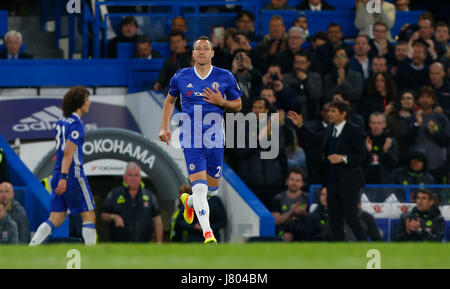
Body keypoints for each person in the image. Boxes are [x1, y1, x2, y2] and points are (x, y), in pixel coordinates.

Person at [159, 36, 242, 244]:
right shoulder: (181, 76)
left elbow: (238, 105)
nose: (202, 51)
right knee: (200, 188)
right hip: (191, 138)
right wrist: (164, 127)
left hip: (215, 139)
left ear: (212, 53)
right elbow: (170, 101)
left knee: (212, 188)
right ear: (193, 54)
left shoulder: (225, 76)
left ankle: (188, 203)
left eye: (206, 48)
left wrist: (220, 101)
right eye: (198, 49)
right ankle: (208, 233)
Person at [288, 100, 368, 241]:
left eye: (333, 111)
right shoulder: (330, 129)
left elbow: (362, 155)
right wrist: (301, 126)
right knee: (335, 219)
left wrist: (343, 158)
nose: (329, 113)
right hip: (331, 182)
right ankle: (339, 251)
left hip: (349, 182)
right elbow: (315, 138)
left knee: (351, 217)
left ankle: (368, 248)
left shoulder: (354, 130)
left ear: (343, 113)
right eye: (328, 111)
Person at [29, 87, 97, 246]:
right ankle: (93, 257)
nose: (89, 102)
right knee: (89, 216)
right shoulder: (77, 124)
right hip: (73, 174)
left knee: (56, 218)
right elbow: (68, 152)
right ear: (79, 102)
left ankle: (31, 247)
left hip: (58, 172)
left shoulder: (61, 122)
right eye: (87, 99)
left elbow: (59, 150)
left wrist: (60, 176)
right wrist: (65, 178)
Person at [233, 98, 288, 209]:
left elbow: (281, 151)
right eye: (254, 107)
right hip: (251, 180)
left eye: (260, 107)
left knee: (273, 212)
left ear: (267, 110)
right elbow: (240, 152)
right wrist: (260, 139)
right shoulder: (242, 127)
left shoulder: (275, 126)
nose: (257, 110)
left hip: (273, 180)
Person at [100, 162, 163, 243]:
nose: (133, 178)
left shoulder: (149, 195)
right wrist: (113, 217)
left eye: (136, 175)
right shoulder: (114, 194)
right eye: (130, 175)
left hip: (145, 245)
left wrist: (159, 242)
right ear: (124, 177)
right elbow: (102, 215)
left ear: (140, 177)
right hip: (119, 246)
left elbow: (157, 220)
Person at [402, 86, 450, 183]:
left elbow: (446, 141)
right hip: (416, 167)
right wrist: (416, 125)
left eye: (428, 97)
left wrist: (435, 133)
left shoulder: (442, 119)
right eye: (422, 97)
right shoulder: (411, 119)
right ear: (418, 100)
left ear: (433, 100)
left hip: (439, 165)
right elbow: (406, 140)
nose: (425, 100)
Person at [271, 167, 313, 242]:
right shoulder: (278, 198)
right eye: (292, 179)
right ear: (287, 181)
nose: (294, 183)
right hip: (284, 230)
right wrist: (291, 212)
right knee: (287, 236)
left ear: (302, 183)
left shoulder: (308, 198)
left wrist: (303, 214)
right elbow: (275, 221)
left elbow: (315, 221)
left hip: (303, 229)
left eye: (297, 181)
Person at [283, 51, 323, 121]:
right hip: (291, 115)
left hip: (312, 116)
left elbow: (317, 95)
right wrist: (308, 98)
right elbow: (287, 98)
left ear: (308, 63)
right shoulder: (286, 78)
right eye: (297, 62)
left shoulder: (315, 77)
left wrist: (305, 80)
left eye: (302, 62)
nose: (299, 65)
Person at [362, 112, 398, 184]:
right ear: (369, 124)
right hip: (365, 180)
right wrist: (368, 151)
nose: (376, 126)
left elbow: (394, 164)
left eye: (379, 123)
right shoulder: (363, 139)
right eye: (373, 123)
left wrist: (386, 151)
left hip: (385, 181)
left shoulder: (390, 141)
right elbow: (359, 163)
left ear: (384, 124)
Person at [386, 90, 416, 165]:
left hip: (412, 157)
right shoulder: (391, 119)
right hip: (394, 156)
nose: (406, 100)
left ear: (414, 102)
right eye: (403, 98)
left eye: (409, 98)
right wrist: (385, 113)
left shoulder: (417, 119)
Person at [231, 48, 262, 113]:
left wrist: (250, 67)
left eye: (244, 58)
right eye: (238, 58)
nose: (241, 61)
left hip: (255, 111)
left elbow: (260, 81)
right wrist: (233, 71)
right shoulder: (230, 76)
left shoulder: (254, 75)